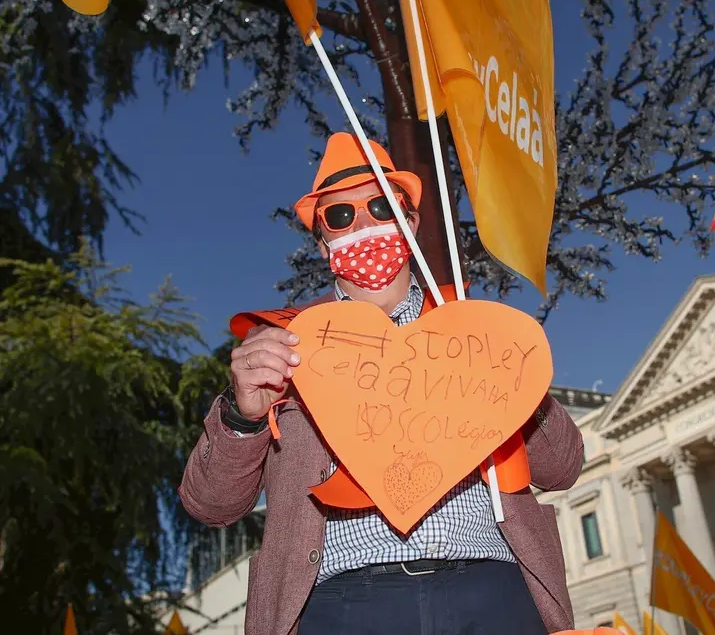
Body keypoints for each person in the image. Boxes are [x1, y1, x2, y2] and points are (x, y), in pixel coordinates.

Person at [179, 133, 584, 635]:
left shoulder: (475, 333)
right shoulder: (285, 347)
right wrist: (244, 416)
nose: (364, 223)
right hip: (343, 602)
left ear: (411, 222)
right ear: (323, 241)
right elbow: (210, 504)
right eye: (341, 216)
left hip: (491, 586)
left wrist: (505, 374)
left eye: (381, 205)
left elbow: (563, 467)